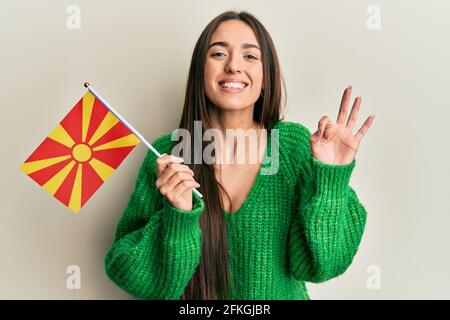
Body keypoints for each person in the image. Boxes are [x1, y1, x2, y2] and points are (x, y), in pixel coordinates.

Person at [104, 10, 375, 300]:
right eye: (218, 54)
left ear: (265, 76)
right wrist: (178, 215)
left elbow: (321, 265)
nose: (233, 66)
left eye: (250, 56)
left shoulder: (294, 147)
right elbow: (133, 275)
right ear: (200, 71)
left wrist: (331, 182)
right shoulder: (168, 156)